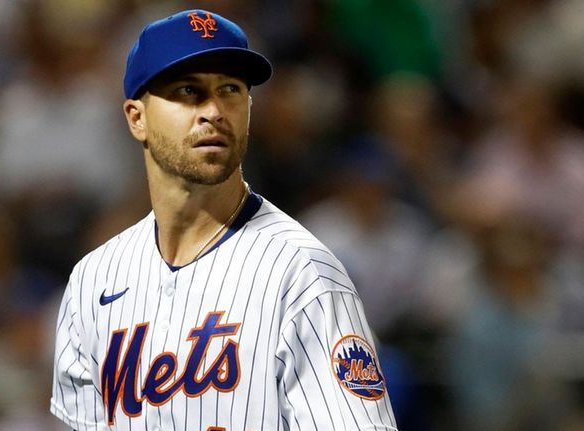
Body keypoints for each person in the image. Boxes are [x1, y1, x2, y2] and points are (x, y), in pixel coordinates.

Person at [50, 9, 397, 430]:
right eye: (188, 91)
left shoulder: (302, 274)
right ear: (136, 117)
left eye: (230, 89)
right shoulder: (93, 279)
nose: (214, 110)